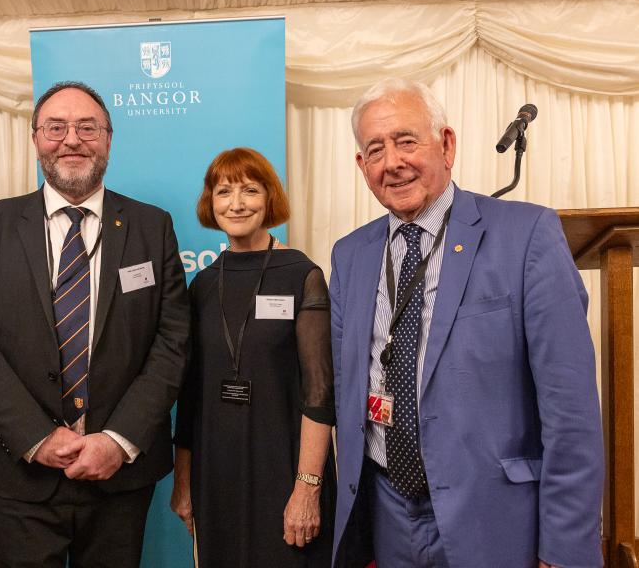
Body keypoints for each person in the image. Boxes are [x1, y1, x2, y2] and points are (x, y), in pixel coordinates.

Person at [329, 77, 604, 567]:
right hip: (388, 516)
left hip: (496, 519)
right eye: (375, 149)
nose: (393, 161)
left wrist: (564, 551)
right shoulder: (349, 256)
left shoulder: (527, 235)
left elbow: (572, 412)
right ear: (361, 166)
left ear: (447, 144)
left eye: (406, 141)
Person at [0, 81, 190, 568]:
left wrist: (117, 440)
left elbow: (172, 340)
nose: (72, 139)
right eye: (56, 127)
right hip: (21, 472)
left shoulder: (150, 226)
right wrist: (36, 436)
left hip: (118, 476)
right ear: (36, 138)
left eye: (87, 127)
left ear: (109, 138)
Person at [171, 147, 335, 567]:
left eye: (250, 190)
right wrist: (184, 481)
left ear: (270, 198)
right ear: (211, 203)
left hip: (285, 471)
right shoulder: (203, 286)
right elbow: (190, 396)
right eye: (224, 191)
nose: (237, 203)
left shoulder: (303, 275)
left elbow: (319, 394)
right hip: (217, 473)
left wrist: (308, 487)